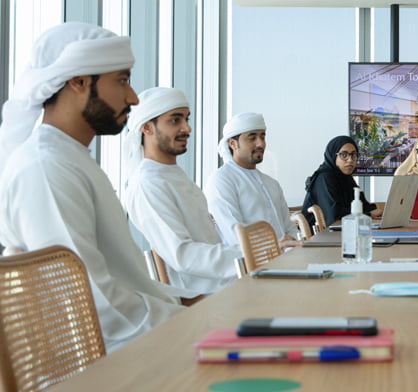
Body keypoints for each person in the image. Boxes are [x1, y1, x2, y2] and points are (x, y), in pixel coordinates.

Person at [0, 22, 186, 351]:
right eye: (122, 80)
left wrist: (192, 309)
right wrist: (194, 325)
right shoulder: (47, 168)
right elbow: (95, 306)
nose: (132, 97)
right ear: (78, 82)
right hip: (106, 368)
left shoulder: (70, 158)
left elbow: (123, 286)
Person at [121, 87, 241, 294]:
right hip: (207, 299)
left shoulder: (172, 175)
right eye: (175, 120)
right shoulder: (147, 183)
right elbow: (183, 255)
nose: (187, 128)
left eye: (187, 119)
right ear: (147, 128)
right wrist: (250, 255)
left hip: (232, 284)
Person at [204, 113, 300, 249]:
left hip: (283, 262)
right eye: (252, 137)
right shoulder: (221, 181)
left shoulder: (271, 183)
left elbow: (290, 229)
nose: (260, 143)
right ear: (232, 143)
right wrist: (275, 249)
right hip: (248, 266)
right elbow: (235, 237)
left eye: (262, 136)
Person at [302, 135, 382, 226]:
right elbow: (334, 214)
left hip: (343, 232)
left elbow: (363, 206)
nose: (350, 160)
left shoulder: (346, 178)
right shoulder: (324, 178)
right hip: (321, 237)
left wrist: (380, 212)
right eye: (344, 155)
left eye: (354, 155)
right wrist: (369, 215)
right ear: (333, 156)